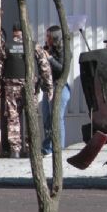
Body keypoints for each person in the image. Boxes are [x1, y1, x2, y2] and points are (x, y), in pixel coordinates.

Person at [0, 24, 54, 158]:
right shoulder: (33, 45)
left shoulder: (6, 46)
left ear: (14, 32)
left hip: (11, 88)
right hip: (30, 87)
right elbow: (45, 66)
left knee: (13, 118)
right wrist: (48, 87)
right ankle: (32, 149)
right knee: (31, 117)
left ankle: (15, 151)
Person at [39, 25, 71, 157]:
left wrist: (50, 58)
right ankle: (48, 148)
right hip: (48, 88)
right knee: (47, 118)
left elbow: (62, 69)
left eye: (48, 36)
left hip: (60, 88)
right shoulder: (47, 49)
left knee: (57, 119)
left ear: (54, 37)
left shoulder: (64, 51)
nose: (46, 39)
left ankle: (58, 149)